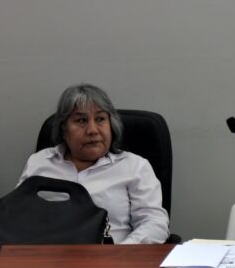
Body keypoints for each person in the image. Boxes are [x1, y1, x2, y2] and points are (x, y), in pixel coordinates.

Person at [17, 84, 169, 244]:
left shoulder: (135, 167)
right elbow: (14, 216)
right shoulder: (40, 162)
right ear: (64, 130)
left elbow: (154, 223)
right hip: (46, 256)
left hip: (112, 256)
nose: (92, 130)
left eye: (100, 119)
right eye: (81, 120)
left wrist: (121, 253)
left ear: (111, 125)